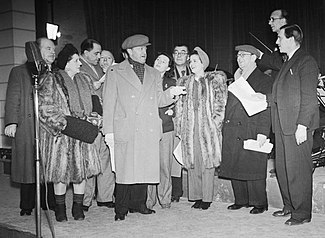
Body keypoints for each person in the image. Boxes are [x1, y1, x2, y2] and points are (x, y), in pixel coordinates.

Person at [102, 34, 186, 221]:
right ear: (129, 52)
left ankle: (139, 204)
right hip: (126, 127)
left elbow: (159, 100)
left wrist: (172, 93)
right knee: (124, 171)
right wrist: (108, 131)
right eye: (140, 49)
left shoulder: (154, 73)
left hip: (147, 127)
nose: (144, 52)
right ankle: (121, 208)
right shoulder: (115, 71)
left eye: (146, 49)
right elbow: (108, 103)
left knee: (143, 168)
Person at [262, 24, 319, 225]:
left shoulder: (306, 62)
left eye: (279, 38)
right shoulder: (287, 62)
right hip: (282, 126)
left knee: (299, 171)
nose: (276, 42)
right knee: (284, 169)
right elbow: (282, 94)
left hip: (296, 127)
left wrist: (303, 125)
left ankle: (302, 213)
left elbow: (309, 97)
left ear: (291, 38)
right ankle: (289, 206)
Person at [38, 44, 101, 222]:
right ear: (67, 62)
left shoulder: (85, 79)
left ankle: (78, 208)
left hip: (82, 132)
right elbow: (45, 108)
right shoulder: (52, 80)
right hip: (63, 135)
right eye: (75, 60)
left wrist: (95, 118)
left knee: (82, 172)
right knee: (61, 174)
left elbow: (95, 101)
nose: (79, 64)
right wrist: (64, 124)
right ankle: (60, 209)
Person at [219, 45, 273, 214]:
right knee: (236, 163)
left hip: (252, 127)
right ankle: (241, 200)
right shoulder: (236, 79)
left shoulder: (264, 80)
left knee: (253, 165)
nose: (239, 58)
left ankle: (259, 202)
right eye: (238, 55)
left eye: (244, 55)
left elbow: (266, 108)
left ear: (254, 58)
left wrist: (263, 132)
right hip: (233, 127)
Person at [4, 37, 56, 216]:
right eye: (48, 48)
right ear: (36, 50)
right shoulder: (19, 71)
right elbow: (13, 96)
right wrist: (11, 121)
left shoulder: (54, 72)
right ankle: (27, 205)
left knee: (48, 165)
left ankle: (48, 202)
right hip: (28, 126)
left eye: (53, 49)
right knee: (28, 166)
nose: (52, 52)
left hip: (49, 126)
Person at [174, 46, 227, 210]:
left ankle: (207, 198)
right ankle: (196, 196)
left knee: (207, 162)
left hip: (208, 128)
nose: (191, 64)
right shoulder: (184, 82)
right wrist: (180, 126)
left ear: (203, 62)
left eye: (195, 61)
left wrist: (215, 123)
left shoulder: (214, 80)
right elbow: (179, 105)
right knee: (193, 162)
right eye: (191, 61)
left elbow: (221, 103)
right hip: (190, 128)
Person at [78, 40, 116, 211]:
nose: (100, 57)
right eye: (96, 53)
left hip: (105, 119)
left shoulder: (103, 69)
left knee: (105, 159)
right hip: (90, 120)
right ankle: (85, 199)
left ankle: (105, 197)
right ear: (85, 53)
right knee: (89, 160)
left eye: (101, 54)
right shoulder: (78, 68)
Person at [147, 52, 175, 209]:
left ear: (168, 67)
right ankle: (149, 201)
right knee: (149, 165)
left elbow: (179, 103)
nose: (159, 62)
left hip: (165, 128)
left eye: (163, 61)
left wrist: (174, 111)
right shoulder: (145, 79)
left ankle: (165, 198)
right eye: (157, 59)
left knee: (165, 165)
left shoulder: (171, 83)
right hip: (148, 128)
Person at [170, 44, 191, 202]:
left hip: (191, 119)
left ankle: (196, 191)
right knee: (174, 156)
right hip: (173, 119)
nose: (179, 55)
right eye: (176, 53)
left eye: (182, 53)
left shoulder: (195, 71)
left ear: (188, 56)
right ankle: (176, 191)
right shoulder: (167, 73)